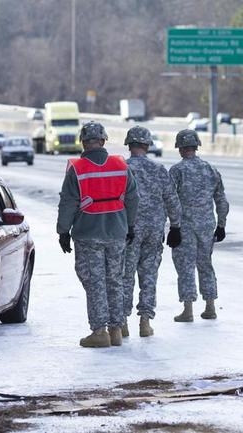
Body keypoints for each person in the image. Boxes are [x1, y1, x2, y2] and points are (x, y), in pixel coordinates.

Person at [57, 121, 139, 348]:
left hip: (88, 235)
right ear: (103, 141)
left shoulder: (77, 168)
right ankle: (116, 330)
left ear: (83, 142)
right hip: (117, 233)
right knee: (115, 280)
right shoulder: (120, 165)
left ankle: (99, 332)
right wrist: (130, 226)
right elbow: (133, 199)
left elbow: (68, 203)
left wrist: (63, 231)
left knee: (95, 282)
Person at [121, 126, 182, 338]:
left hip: (128, 230)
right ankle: (145, 322)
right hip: (154, 230)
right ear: (147, 145)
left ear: (129, 145)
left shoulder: (122, 168)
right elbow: (172, 200)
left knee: (125, 275)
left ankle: (123, 323)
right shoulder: (159, 169)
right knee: (149, 276)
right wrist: (175, 226)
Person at [169, 129, 229, 322]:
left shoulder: (177, 171)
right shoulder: (210, 169)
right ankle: (210, 306)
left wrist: (173, 227)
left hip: (184, 226)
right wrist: (221, 224)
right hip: (206, 225)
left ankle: (188, 309)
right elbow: (221, 200)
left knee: (185, 266)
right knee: (205, 265)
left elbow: (170, 201)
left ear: (180, 148)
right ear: (196, 146)